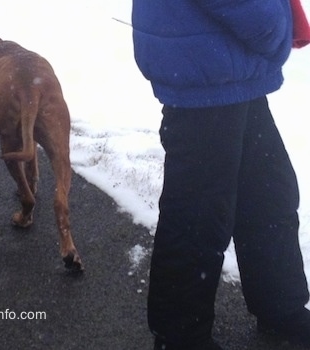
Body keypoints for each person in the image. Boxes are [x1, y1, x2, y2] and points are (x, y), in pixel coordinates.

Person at [132, 1, 310, 349]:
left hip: (229, 65)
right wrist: (275, 25)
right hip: (207, 69)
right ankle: (180, 337)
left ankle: (281, 306)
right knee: (197, 216)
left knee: (268, 196)